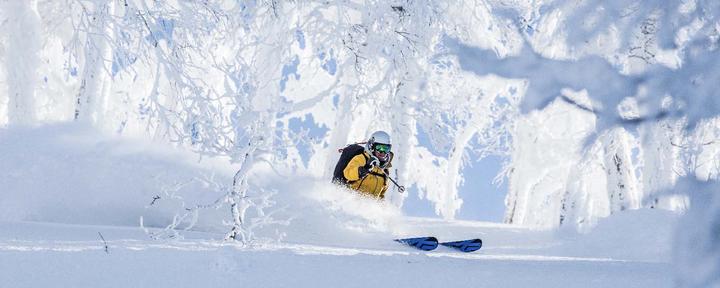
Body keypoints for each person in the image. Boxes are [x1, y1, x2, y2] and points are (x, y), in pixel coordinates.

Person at [332, 130, 394, 199]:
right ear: (372, 146)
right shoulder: (362, 158)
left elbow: (381, 196)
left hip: (367, 208)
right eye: (379, 148)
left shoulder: (385, 171)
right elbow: (347, 173)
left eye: (386, 149)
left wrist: (380, 208)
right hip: (349, 201)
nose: (382, 152)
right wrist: (361, 171)